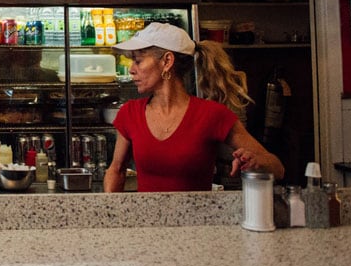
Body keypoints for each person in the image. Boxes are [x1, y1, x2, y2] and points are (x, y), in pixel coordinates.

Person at [103, 22, 285, 193]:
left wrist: (257, 161)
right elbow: (116, 170)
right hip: (147, 225)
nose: (131, 70)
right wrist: (109, 214)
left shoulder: (212, 114)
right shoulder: (130, 113)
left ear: (167, 61)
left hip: (198, 223)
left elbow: (278, 169)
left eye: (138, 61)